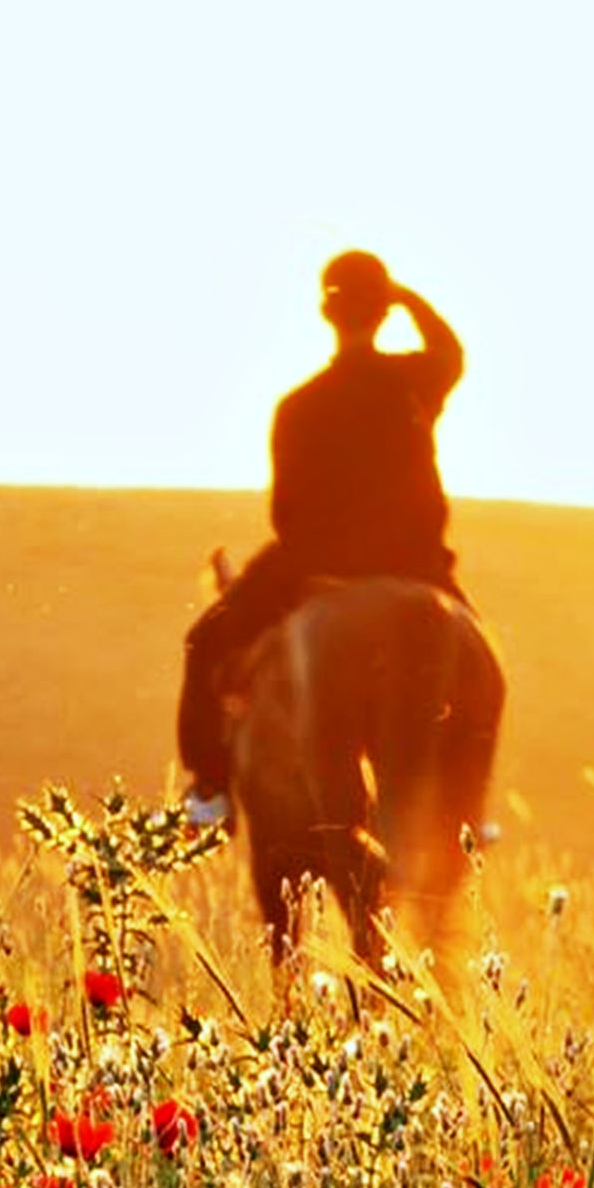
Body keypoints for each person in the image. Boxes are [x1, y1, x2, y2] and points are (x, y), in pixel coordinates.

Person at [177, 250, 466, 827]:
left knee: (207, 641)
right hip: (416, 563)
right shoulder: (416, 381)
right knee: (472, 659)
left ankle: (210, 788)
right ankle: (462, 808)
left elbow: (285, 513)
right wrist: (404, 297)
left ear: (325, 313)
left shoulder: (300, 406)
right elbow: (451, 353)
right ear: (383, 311)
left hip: (318, 559)